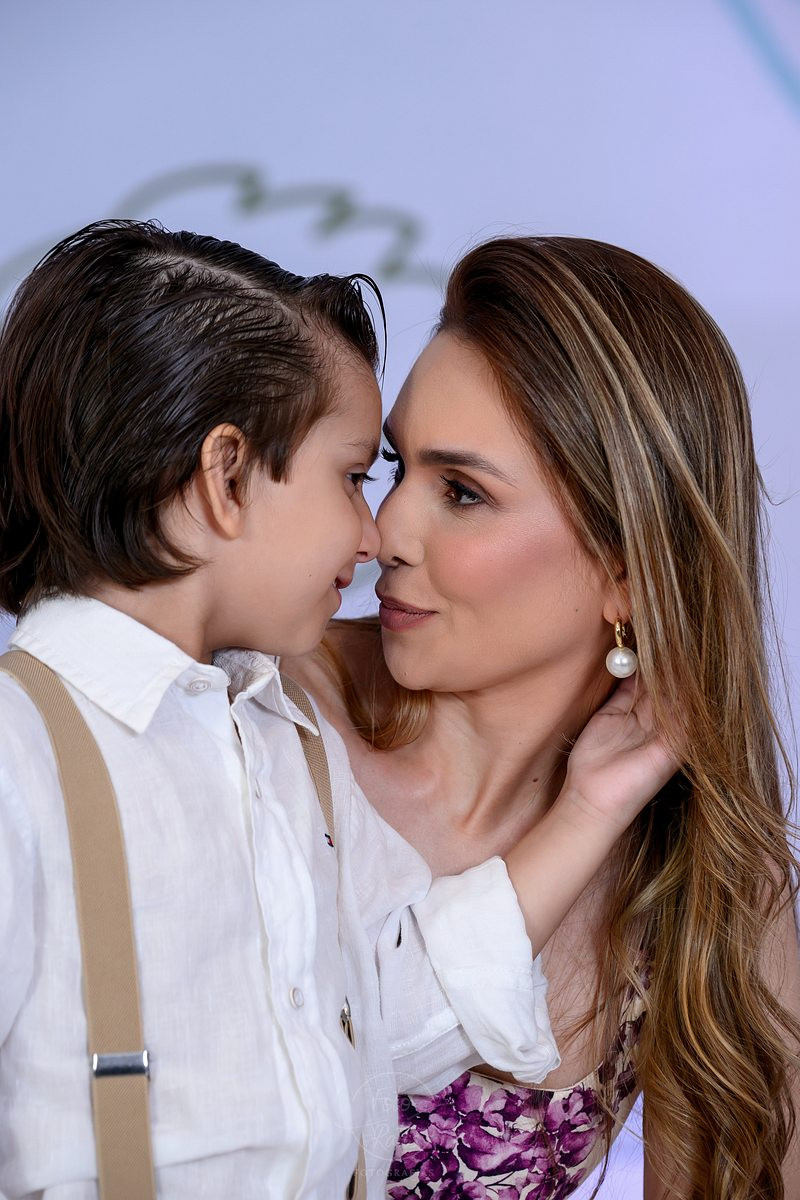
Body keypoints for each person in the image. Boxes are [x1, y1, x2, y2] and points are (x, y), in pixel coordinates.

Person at [0, 221, 674, 1199]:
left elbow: (397, 1007)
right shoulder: (19, 759)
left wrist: (589, 808)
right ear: (226, 479)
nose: (374, 535)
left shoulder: (285, 745)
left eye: (450, 488)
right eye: (357, 475)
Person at [283, 236, 800, 1198]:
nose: (385, 532)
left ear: (627, 570)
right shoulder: (263, 722)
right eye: (393, 467)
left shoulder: (702, 869)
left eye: (462, 492)